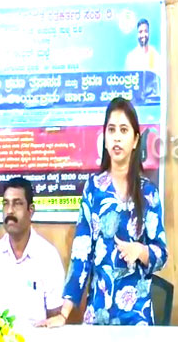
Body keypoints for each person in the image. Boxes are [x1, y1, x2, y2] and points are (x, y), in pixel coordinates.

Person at [36, 97, 168, 327]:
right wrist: (64, 314)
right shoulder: (93, 189)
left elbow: (162, 254)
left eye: (124, 130)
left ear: (135, 140)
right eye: (111, 130)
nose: (117, 137)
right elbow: (81, 254)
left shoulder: (148, 193)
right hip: (98, 313)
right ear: (105, 139)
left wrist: (141, 251)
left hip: (137, 316)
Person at [0, 177, 65, 327]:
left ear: (31, 211)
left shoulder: (48, 257)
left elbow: (55, 316)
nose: (10, 210)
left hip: (36, 339)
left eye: (17, 203)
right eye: (6, 203)